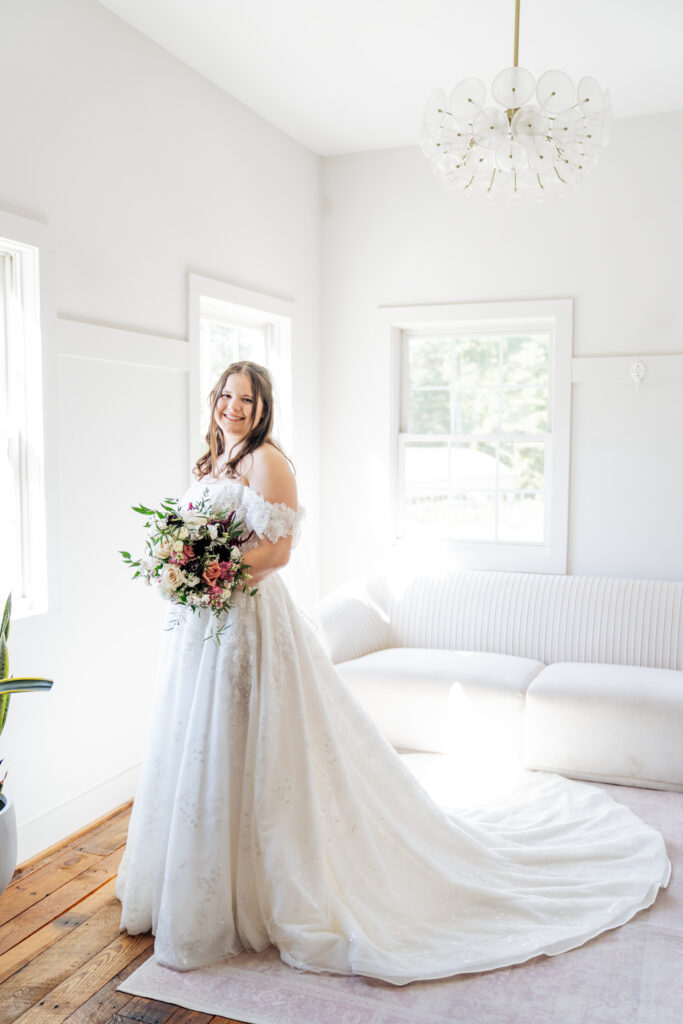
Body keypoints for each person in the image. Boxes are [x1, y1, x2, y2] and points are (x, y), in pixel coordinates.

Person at [116, 361, 670, 985]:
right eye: (226, 395)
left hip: (246, 620)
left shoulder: (267, 460)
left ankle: (264, 890)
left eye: (246, 398)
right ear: (214, 401)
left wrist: (216, 575)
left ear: (263, 406)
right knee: (202, 743)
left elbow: (279, 550)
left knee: (260, 747)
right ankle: (192, 884)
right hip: (203, 628)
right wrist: (186, 568)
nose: (233, 406)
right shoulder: (212, 462)